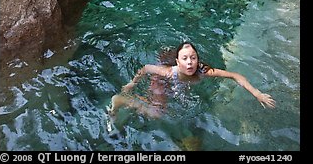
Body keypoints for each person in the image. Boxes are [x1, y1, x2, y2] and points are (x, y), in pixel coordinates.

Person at [108, 41, 276, 119]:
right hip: (163, 81)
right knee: (157, 114)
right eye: (185, 58)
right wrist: (132, 83)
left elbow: (235, 75)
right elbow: (145, 68)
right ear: (178, 62)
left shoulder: (203, 71)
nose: (190, 62)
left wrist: (257, 93)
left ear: (197, 59)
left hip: (180, 83)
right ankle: (121, 100)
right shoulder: (166, 72)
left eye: (193, 58)